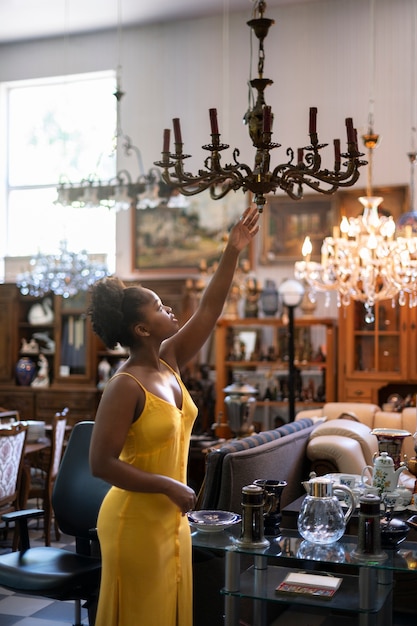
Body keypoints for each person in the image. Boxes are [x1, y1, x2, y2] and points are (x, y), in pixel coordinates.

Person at [88, 205, 259, 626]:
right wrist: (168, 485)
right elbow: (100, 464)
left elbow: (208, 311)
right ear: (141, 330)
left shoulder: (170, 360)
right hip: (134, 520)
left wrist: (232, 252)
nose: (171, 313)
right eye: (161, 309)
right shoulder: (124, 385)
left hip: (170, 517)